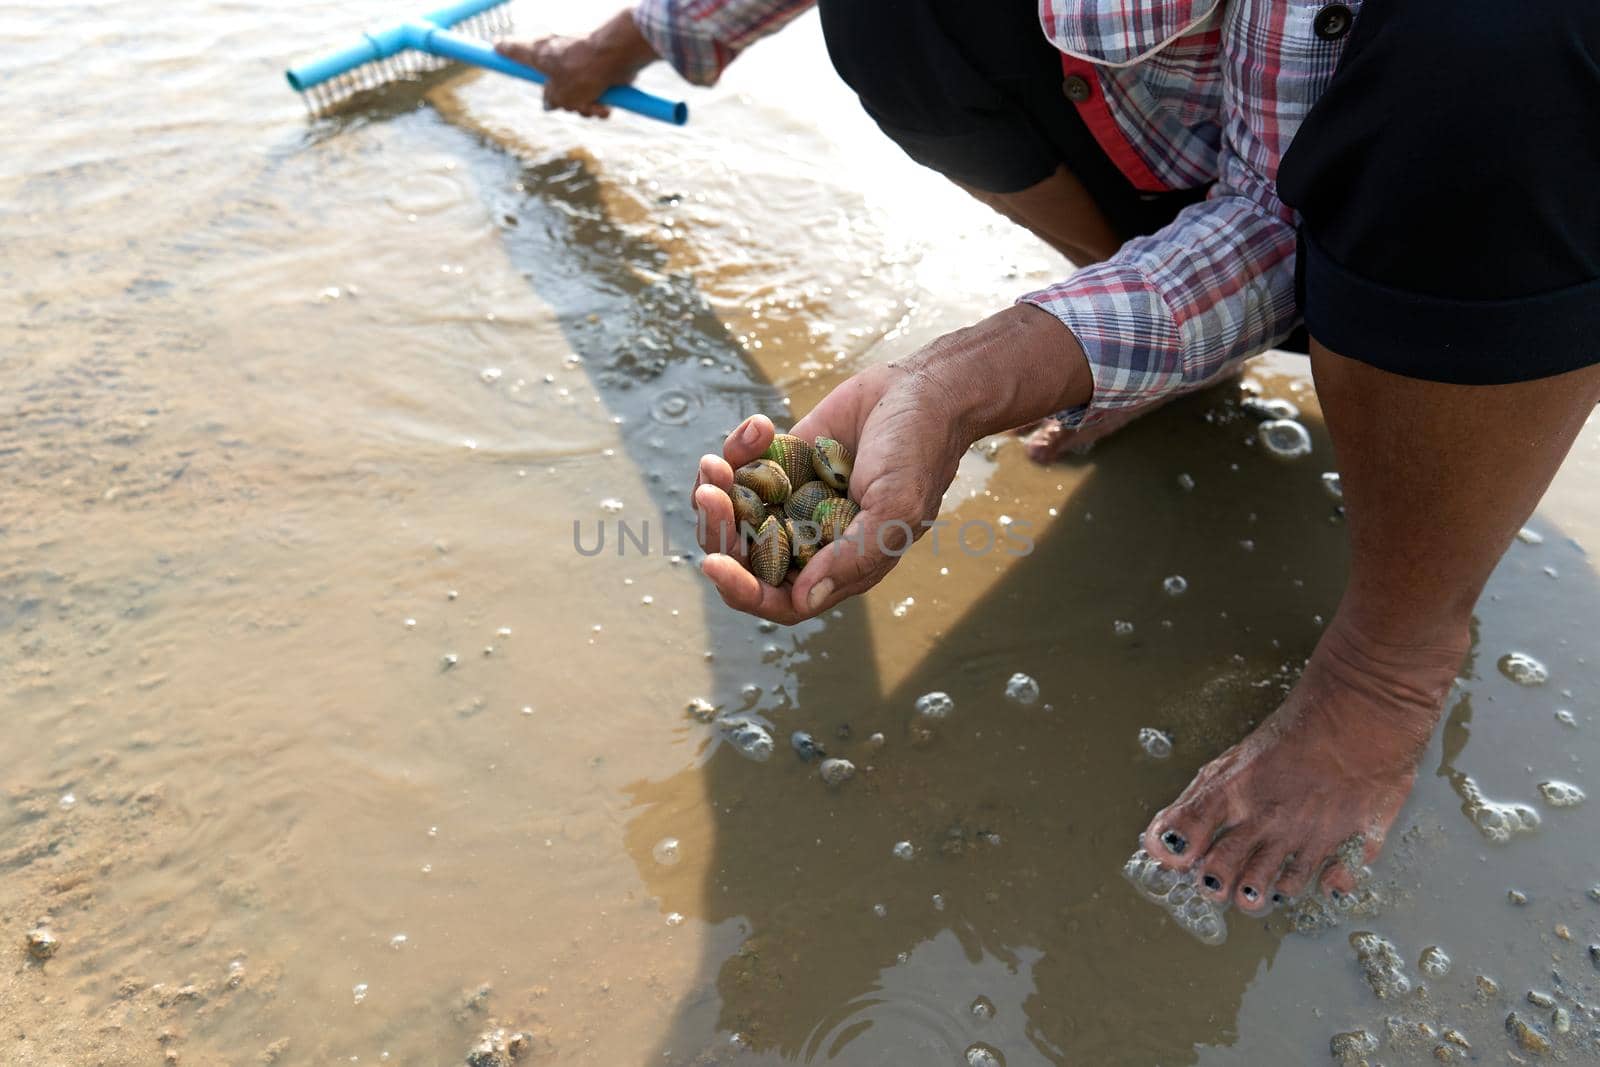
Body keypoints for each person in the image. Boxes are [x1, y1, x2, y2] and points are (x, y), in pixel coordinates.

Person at [498, 2, 1600, 911]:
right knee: (897, 23)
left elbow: (1281, 217)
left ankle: (1390, 659)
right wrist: (624, 42)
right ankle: (1156, 350)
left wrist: (977, 373)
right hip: (1218, 154)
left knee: (1495, 40)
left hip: (1491, 173)